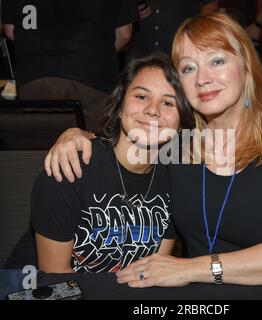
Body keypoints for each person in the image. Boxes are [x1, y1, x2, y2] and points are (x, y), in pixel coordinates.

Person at [45, 14, 262, 285]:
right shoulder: (177, 148)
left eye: (216, 61)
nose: (202, 78)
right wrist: (79, 135)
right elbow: (130, 140)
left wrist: (192, 268)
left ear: (247, 67)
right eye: (188, 68)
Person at [30, 53, 194, 273]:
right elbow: (57, 278)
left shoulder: (177, 181)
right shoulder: (70, 169)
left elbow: (152, 273)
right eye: (141, 97)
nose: (153, 110)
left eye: (167, 102)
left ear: (181, 123)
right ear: (119, 106)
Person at [1, 0, 138, 135]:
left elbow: (10, 30)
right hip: (89, 74)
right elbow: (124, 34)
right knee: (94, 147)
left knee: (40, 146)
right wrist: (97, 56)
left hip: (34, 72)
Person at [130, 0, 219, 58]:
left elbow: (212, 3)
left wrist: (197, 27)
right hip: (140, 52)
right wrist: (131, 13)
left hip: (180, 52)